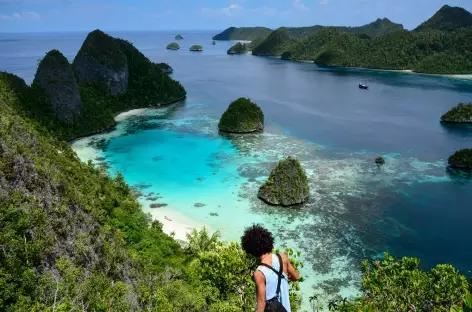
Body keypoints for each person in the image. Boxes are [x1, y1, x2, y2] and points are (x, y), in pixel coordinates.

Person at [241, 224, 300, 312]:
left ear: (251, 250)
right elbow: (296, 277)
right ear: (269, 241)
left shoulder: (259, 273)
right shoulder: (282, 257)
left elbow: (261, 306)